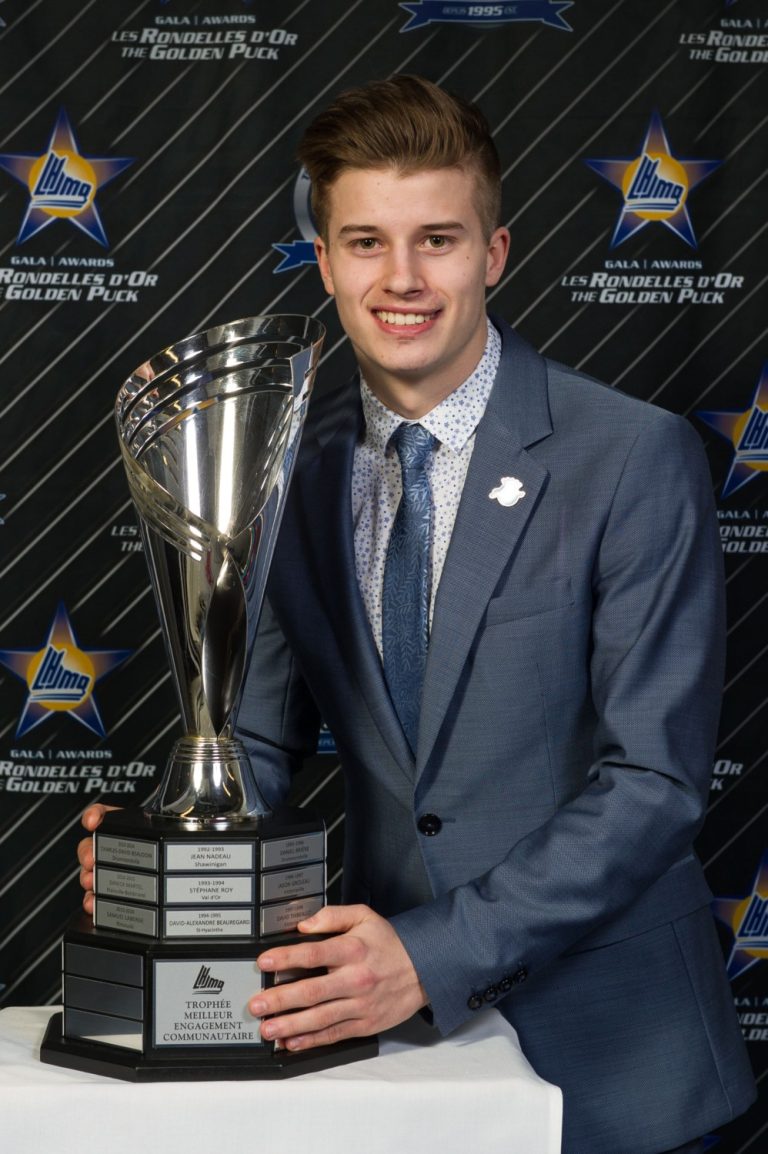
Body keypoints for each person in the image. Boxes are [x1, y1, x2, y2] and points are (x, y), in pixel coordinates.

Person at [78, 76, 755, 1153]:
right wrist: (182, 847)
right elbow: (257, 734)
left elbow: (654, 784)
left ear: (493, 253)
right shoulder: (287, 465)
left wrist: (432, 952)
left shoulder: (632, 456)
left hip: (620, 1065)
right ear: (326, 260)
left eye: (437, 239)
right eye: (365, 242)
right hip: (394, 1069)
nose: (401, 279)